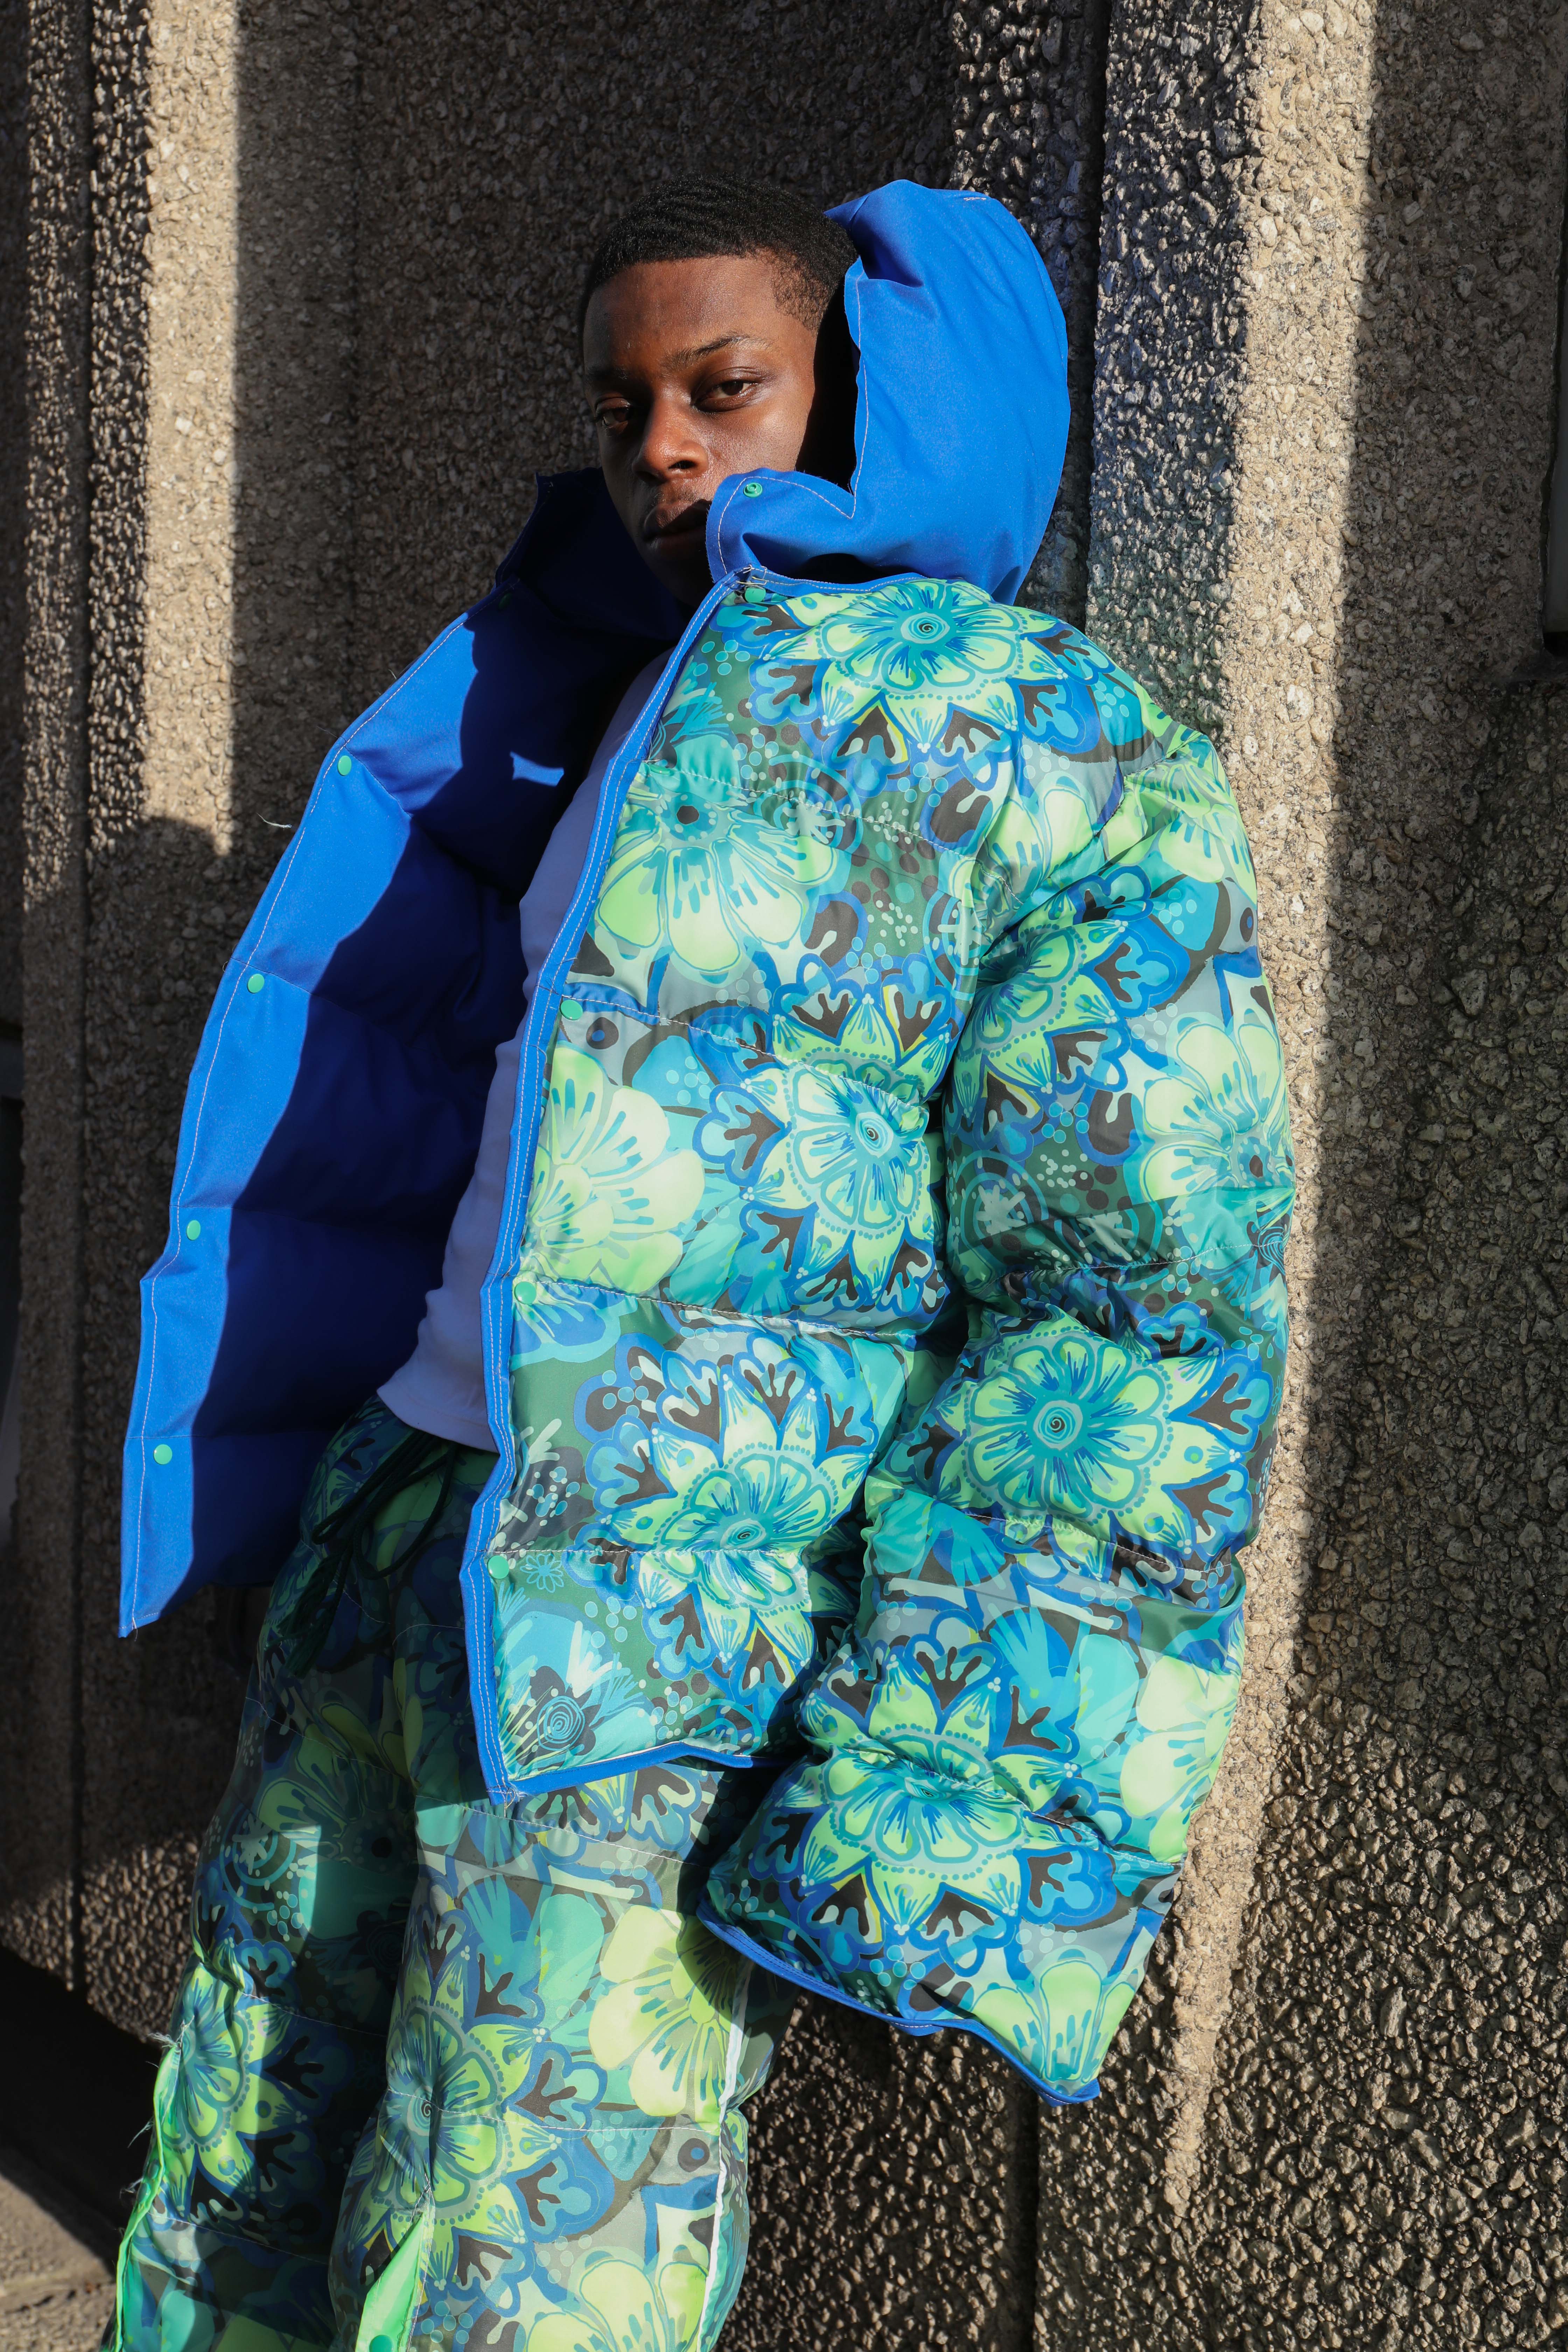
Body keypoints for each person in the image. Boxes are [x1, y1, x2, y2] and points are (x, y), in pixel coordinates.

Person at [113, 177, 1295, 2352]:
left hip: (651, 1636)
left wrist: (935, 1789)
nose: (661, 446)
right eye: (618, 404)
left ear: (859, 397)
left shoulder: (1043, 739)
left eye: (724, 390)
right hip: (401, 1534)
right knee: (247, 2148)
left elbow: (1129, 1305)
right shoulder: (576, 687)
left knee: (532, 2233)